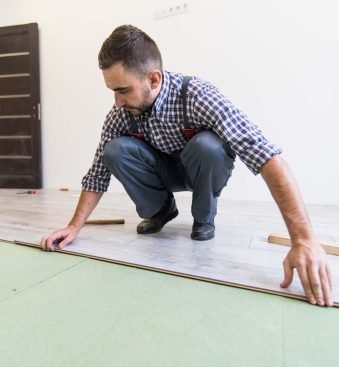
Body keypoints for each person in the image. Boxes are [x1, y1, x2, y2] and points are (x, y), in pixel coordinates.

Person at [40, 24, 333, 306]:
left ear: (153, 79)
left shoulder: (198, 96)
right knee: (115, 150)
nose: (117, 101)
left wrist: (304, 240)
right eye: (112, 91)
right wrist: (74, 226)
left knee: (209, 146)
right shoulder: (121, 113)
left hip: (201, 169)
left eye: (123, 90)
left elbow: (266, 155)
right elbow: (97, 173)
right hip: (164, 172)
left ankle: (204, 216)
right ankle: (160, 210)